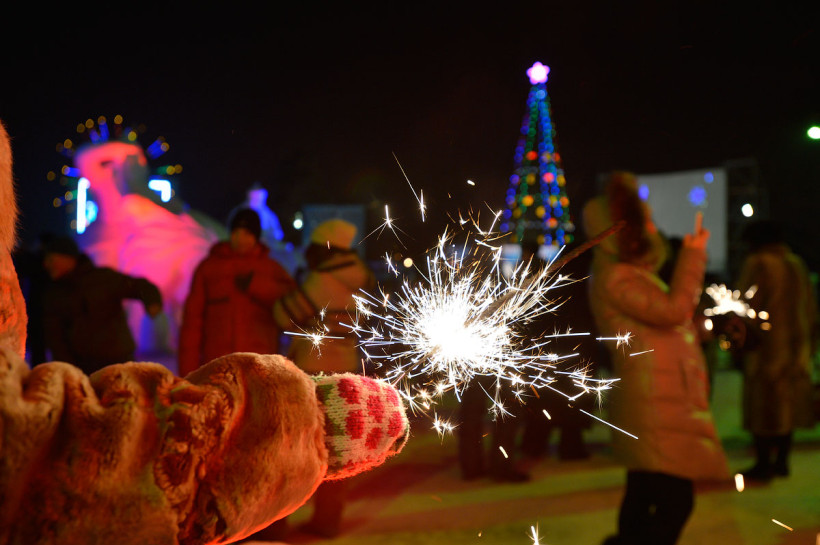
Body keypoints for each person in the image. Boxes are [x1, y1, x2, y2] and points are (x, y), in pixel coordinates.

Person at [583, 171, 729, 545]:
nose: (653, 229)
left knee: (646, 488)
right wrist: (693, 255)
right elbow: (671, 311)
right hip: (654, 400)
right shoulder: (617, 276)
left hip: (657, 395)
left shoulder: (629, 274)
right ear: (621, 232)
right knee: (675, 499)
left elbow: (666, 321)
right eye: (645, 222)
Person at [268, 218, 376, 539]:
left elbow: (283, 315)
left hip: (313, 372)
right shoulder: (363, 277)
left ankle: (278, 522)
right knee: (336, 448)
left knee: (297, 447)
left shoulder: (321, 281)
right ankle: (328, 519)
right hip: (346, 368)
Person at [735, 220, 817, 481]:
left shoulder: (758, 263)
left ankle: (763, 462)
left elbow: (746, 305)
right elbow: (810, 306)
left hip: (766, 347)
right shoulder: (796, 263)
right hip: (797, 346)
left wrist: (738, 337)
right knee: (788, 404)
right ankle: (782, 460)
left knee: (763, 404)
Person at [178, 208, 295, 376]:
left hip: (259, 367)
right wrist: (188, 371)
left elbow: (291, 305)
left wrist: (256, 285)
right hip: (218, 366)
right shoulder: (209, 269)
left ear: (256, 236)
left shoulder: (272, 270)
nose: (241, 239)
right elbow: (192, 322)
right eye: (236, 233)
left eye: (247, 234)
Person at [41, 235, 163, 375]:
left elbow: (141, 287)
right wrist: (68, 370)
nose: (46, 265)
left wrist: (152, 302)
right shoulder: (54, 293)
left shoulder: (103, 279)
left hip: (119, 365)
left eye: (51, 259)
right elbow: (55, 339)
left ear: (68, 258)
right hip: (83, 370)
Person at [518, 239, 593, 462]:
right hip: (573, 349)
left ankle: (536, 443)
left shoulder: (555, 279)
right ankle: (568, 446)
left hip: (552, 349)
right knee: (569, 400)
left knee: (548, 398)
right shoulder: (583, 283)